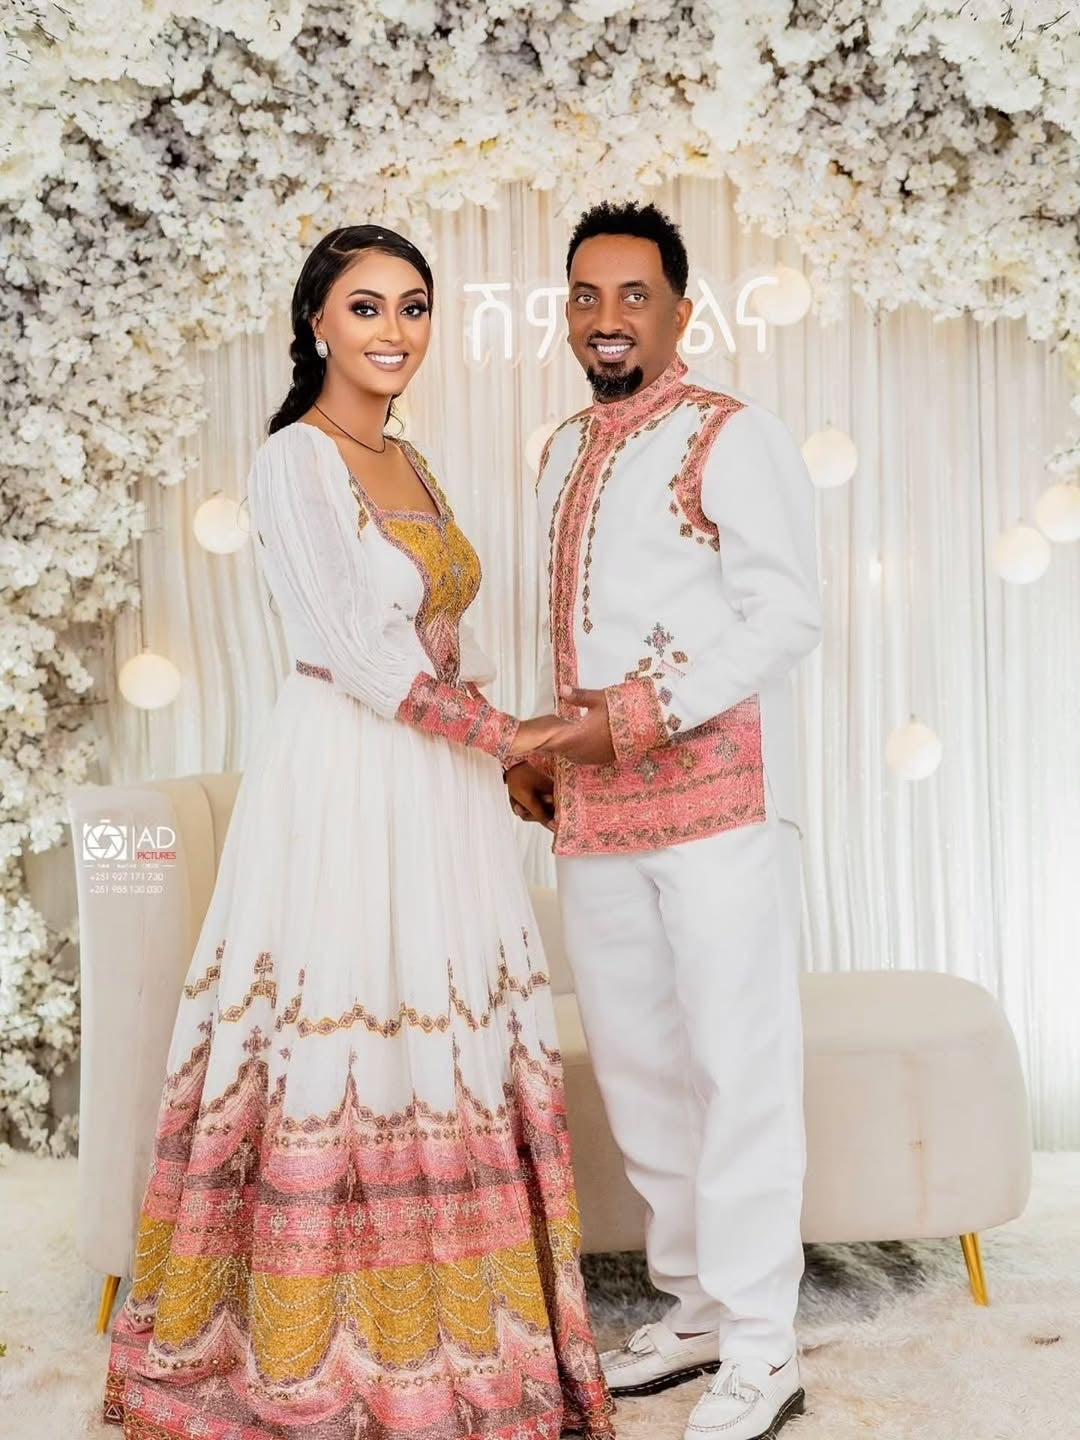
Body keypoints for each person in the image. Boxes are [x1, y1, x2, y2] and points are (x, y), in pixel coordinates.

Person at [104, 224, 616, 1440]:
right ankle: (312, 1348)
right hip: (345, 770)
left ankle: (459, 1331)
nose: (395, 332)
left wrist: (504, 770)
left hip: (436, 785)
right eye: (369, 308)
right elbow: (363, 652)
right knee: (351, 1023)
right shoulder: (296, 460)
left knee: (438, 1029)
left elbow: (443, 637)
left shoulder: (413, 460)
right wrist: (516, 736)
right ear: (318, 323)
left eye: (416, 308)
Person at [507, 202, 822, 1440]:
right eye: (586, 296)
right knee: (638, 1065)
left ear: (682, 311)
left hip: (711, 806)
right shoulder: (562, 450)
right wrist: (538, 747)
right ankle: (694, 1306)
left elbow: (784, 614)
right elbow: (582, 627)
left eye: (633, 295)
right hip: (595, 813)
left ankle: (763, 1343)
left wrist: (638, 715)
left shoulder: (730, 434)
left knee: (734, 1065)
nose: (607, 318)